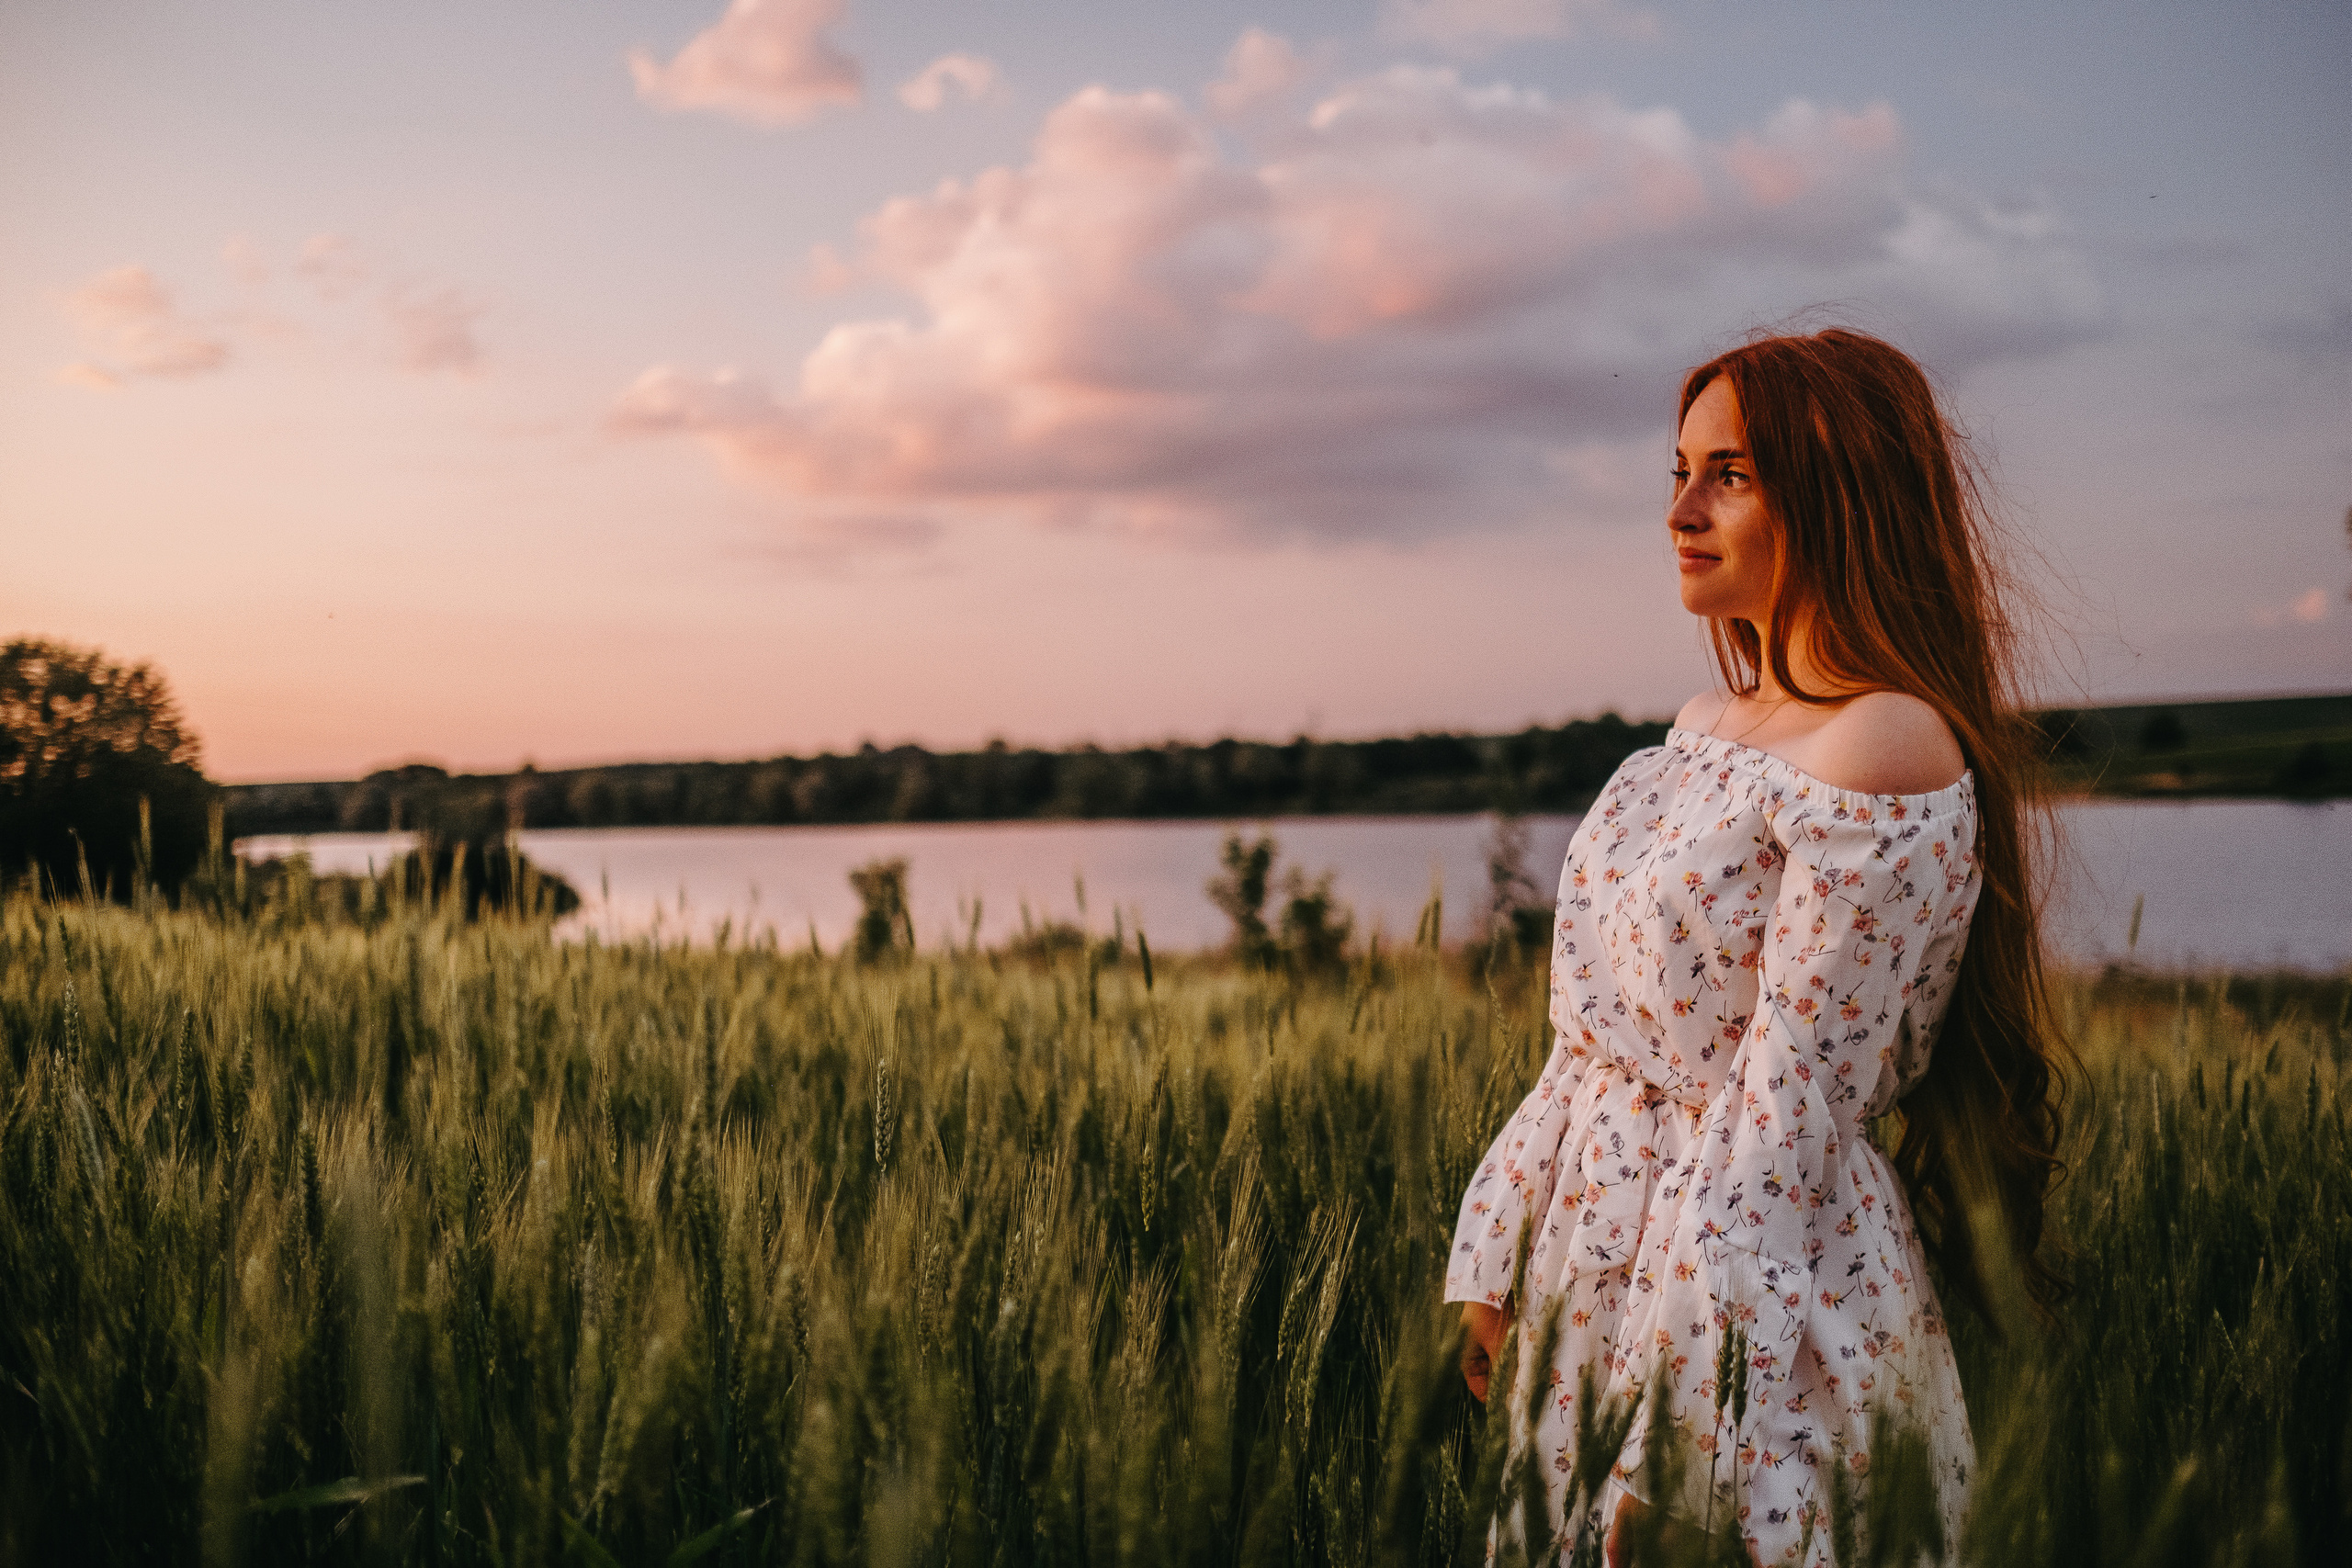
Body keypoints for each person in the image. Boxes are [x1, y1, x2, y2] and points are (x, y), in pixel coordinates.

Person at [1446, 328, 2069, 1566]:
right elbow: (1588, 1042)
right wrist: (1500, 1245)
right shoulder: (1706, 725)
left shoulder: (1881, 749)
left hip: (1754, 1311)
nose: (1682, 509)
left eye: (1730, 472)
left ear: (1841, 490)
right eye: (1677, 470)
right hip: (1606, 1273)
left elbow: (1784, 1119)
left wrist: (1682, 1447)